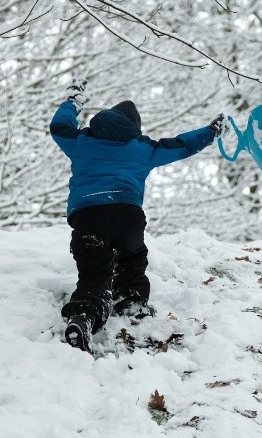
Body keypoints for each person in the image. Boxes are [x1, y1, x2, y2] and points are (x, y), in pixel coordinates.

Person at [50, 78, 226, 353]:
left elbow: (58, 127)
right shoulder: (143, 148)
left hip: (88, 215)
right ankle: (131, 302)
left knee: (94, 272)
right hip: (126, 215)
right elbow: (182, 145)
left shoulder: (81, 141)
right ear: (134, 127)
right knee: (132, 258)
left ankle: (82, 317)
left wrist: (73, 103)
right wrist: (211, 132)